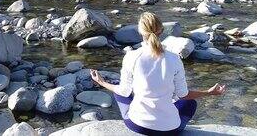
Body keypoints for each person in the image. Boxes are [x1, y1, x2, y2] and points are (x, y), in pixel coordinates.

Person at [90, 12, 226, 135]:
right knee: (190, 104)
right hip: (170, 130)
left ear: (140, 31)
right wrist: (209, 92)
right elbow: (183, 95)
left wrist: (101, 82)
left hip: (138, 126)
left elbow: (124, 92)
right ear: (161, 30)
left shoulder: (131, 56)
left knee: (118, 89)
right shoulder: (175, 58)